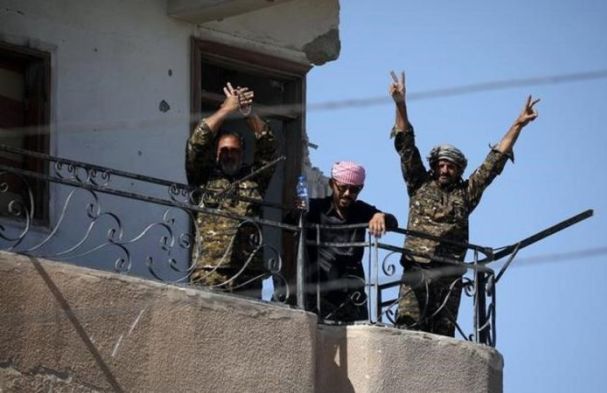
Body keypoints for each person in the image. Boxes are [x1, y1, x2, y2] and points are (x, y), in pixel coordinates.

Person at [389, 71, 539, 336]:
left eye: (451, 166)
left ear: (459, 170)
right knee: (407, 331)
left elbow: (493, 163)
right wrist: (400, 104)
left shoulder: (465, 194)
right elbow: (406, 145)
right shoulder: (419, 184)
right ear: (434, 167)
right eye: (441, 165)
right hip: (417, 269)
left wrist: (518, 125)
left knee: (442, 339)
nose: (445, 170)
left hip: (449, 277)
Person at [186, 82, 277, 299]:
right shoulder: (203, 177)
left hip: (248, 274)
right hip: (209, 271)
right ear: (216, 153)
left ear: (242, 154)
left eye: (234, 151)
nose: (229, 155)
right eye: (223, 150)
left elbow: (269, 148)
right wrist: (226, 109)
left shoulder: (255, 180)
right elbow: (196, 143)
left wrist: (248, 112)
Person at [295, 161, 398, 322]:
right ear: (332, 183)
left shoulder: (361, 210)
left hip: (353, 296)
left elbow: (393, 222)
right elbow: (289, 223)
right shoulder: (316, 208)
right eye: (342, 188)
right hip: (320, 294)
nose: (347, 194)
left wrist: (380, 215)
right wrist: (298, 212)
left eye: (354, 189)